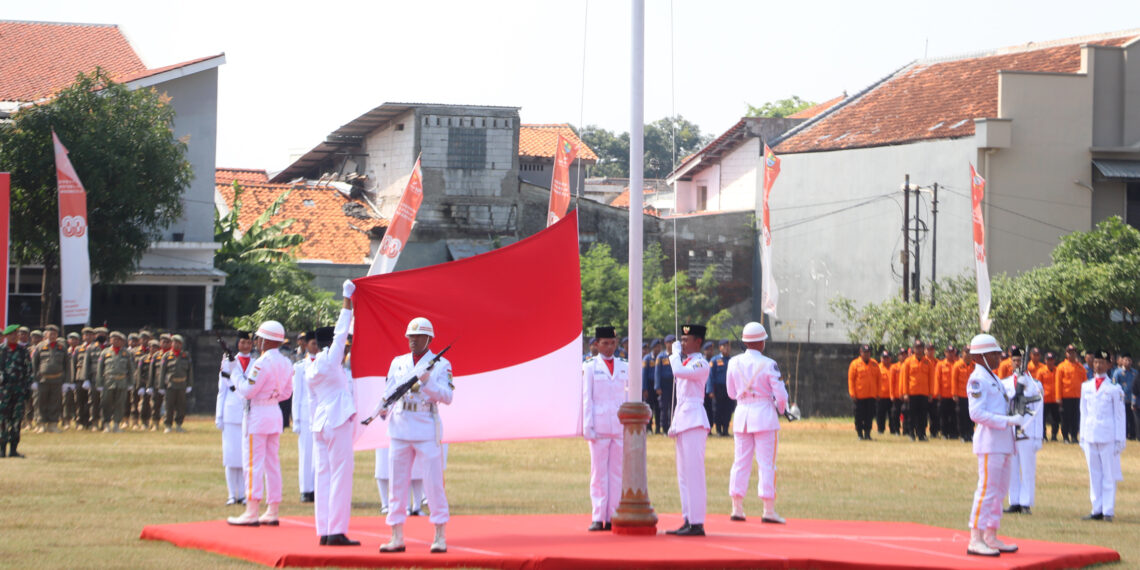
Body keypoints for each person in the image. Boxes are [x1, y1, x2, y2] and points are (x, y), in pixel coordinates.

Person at [379, 317, 454, 554]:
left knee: (433, 483)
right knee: (397, 484)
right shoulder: (398, 362)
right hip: (400, 426)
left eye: (418, 336)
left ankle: (439, 534)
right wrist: (382, 407)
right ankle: (396, 535)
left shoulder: (441, 364)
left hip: (425, 426)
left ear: (429, 339)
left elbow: (448, 397)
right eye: (410, 336)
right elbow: (390, 391)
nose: (412, 340)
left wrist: (428, 382)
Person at [305, 280, 360, 546]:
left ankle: (324, 530)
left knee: (323, 475)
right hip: (336, 420)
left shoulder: (310, 367)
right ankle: (336, 530)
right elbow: (341, 330)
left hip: (320, 423)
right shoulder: (330, 358)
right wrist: (346, 298)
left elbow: (312, 401)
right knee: (340, 474)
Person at [964, 333, 1028, 556]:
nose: (999, 358)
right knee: (986, 490)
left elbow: (1001, 405)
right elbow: (976, 413)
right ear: (980, 357)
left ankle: (990, 534)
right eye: (993, 354)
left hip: (1003, 443)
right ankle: (975, 538)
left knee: (1000, 491)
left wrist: (1019, 392)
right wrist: (1007, 421)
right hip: (990, 443)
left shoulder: (993, 378)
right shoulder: (978, 379)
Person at [227, 320, 294, 527]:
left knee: (253, 463)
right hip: (274, 411)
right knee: (272, 463)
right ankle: (272, 509)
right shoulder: (286, 362)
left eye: (259, 338)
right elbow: (287, 393)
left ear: (265, 340)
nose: (256, 342)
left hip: (258, 414)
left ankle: (252, 510)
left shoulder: (261, 363)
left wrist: (235, 373)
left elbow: (247, 391)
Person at [727, 321, 788, 525]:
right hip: (764, 416)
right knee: (766, 464)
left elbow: (730, 392)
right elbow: (781, 395)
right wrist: (781, 409)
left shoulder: (733, 362)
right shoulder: (769, 364)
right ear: (761, 342)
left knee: (740, 462)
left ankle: (737, 507)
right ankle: (768, 509)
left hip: (742, 414)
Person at [665, 324, 711, 537]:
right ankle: (688, 518)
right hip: (683, 420)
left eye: (686, 340)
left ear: (698, 342)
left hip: (694, 420)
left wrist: (673, 354)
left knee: (694, 474)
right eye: (681, 340)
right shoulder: (685, 362)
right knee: (683, 475)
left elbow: (678, 372)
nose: (682, 343)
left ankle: (697, 521)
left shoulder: (700, 363)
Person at [582, 325, 627, 532]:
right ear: (597, 344)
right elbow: (587, 398)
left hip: (618, 426)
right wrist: (587, 426)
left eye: (612, 343)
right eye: (605, 343)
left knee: (617, 473)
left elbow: (628, 396)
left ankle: (612, 516)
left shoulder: (624, 366)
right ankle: (598, 515)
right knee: (599, 473)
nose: (609, 347)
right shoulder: (590, 366)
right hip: (599, 426)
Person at [1079, 349, 1126, 522]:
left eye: (1102, 362)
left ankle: (1107, 510)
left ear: (1108, 365)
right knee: (1094, 474)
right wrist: (1082, 435)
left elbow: (1119, 416)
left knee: (1108, 474)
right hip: (1091, 434)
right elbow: (1083, 412)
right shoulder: (1086, 386)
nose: (1098, 365)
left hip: (1108, 435)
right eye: (1096, 362)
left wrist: (1120, 439)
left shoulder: (1114, 388)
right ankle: (1096, 509)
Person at [1003, 348, 1043, 515]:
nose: (1017, 363)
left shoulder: (1035, 385)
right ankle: (1014, 501)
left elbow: (1039, 412)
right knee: (1011, 469)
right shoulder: (1004, 384)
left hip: (1027, 431)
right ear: (1010, 362)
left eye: (1020, 360)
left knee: (1027, 469)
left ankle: (1025, 502)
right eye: (1015, 360)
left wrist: (1038, 436)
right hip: (1010, 431)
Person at [217, 331, 253, 506]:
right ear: (238, 344)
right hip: (231, 412)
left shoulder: (257, 362)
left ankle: (245, 494)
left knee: (246, 457)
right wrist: (219, 416)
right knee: (231, 457)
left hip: (249, 412)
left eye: (248, 343)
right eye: (243, 342)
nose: (246, 346)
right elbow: (222, 390)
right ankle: (232, 494)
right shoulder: (228, 361)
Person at [293, 331, 318, 503]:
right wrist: (296, 419)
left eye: (317, 344)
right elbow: (297, 394)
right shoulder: (300, 366)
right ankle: (305, 489)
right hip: (305, 414)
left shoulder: (325, 363)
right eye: (313, 343)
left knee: (319, 454)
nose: (316, 347)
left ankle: (316, 488)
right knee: (305, 454)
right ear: (306, 345)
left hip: (320, 415)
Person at [1, 325, 33, 457]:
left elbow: (29, 371)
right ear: (6, 336)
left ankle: (13, 449)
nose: (14, 337)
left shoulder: (23, 351)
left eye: (16, 334)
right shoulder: (1, 350)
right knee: (2, 420)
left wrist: (27, 387)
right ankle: (2, 449)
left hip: (19, 390)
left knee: (16, 420)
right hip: (3, 392)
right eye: (11, 335)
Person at [32, 325, 69, 433]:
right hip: (42, 380)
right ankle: (41, 424)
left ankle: (53, 424)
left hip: (57, 380)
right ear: (46, 334)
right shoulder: (39, 346)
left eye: (55, 334)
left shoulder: (62, 347)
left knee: (55, 402)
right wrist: (34, 380)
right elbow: (34, 364)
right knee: (41, 402)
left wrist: (67, 382)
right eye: (51, 334)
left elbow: (67, 365)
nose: (53, 336)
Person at [97, 332, 136, 432]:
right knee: (106, 403)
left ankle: (116, 424)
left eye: (118, 340)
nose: (116, 341)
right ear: (110, 340)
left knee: (120, 403)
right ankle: (106, 424)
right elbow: (100, 369)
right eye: (114, 339)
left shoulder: (126, 353)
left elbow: (131, 369)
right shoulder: (105, 352)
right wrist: (99, 383)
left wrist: (131, 383)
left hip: (122, 381)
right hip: (108, 381)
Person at [901, 340, 935, 441]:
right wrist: (905, 393)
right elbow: (904, 379)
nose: (919, 350)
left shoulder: (928, 362)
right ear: (913, 349)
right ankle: (911, 433)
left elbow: (931, 379)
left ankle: (921, 434)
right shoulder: (908, 362)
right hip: (912, 393)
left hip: (924, 393)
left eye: (920, 348)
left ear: (923, 349)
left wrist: (931, 393)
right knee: (911, 415)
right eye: (917, 348)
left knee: (923, 415)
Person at [160, 335, 193, 433]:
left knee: (181, 406)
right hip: (170, 385)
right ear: (172, 343)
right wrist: (161, 386)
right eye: (175, 342)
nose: (177, 345)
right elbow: (162, 372)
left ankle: (179, 425)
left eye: (179, 343)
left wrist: (189, 384)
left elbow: (190, 371)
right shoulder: (166, 356)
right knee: (168, 406)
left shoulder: (186, 356)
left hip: (182, 385)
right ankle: (168, 425)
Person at [847, 345, 880, 440]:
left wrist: (878, 393)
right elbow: (851, 380)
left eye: (868, 352)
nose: (867, 354)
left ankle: (867, 434)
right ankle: (860, 434)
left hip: (871, 395)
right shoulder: (855, 364)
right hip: (859, 396)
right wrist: (852, 393)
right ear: (860, 352)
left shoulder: (874, 364)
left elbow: (879, 379)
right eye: (865, 352)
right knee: (859, 416)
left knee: (869, 416)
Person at [1057, 345, 1085, 444]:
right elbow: (1058, 383)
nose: (1071, 354)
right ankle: (1065, 437)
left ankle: (1074, 436)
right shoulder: (1061, 366)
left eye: (1073, 352)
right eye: (1069, 352)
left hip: (1078, 396)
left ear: (1075, 354)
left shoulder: (1080, 367)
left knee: (1076, 417)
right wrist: (1058, 397)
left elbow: (1085, 383)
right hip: (1066, 396)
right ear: (1066, 354)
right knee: (1066, 418)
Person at [709, 340, 734, 437]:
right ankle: (719, 430)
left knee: (728, 409)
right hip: (718, 388)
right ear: (720, 348)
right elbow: (710, 376)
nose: (727, 348)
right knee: (718, 409)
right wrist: (710, 390)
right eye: (724, 346)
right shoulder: (714, 360)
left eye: (728, 346)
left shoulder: (732, 361)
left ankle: (726, 430)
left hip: (729, 388)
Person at [952, 352, 977, 443]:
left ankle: (970, 434)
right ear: (963, 354)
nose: (968, 355)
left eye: (970, 353)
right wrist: (954, 394)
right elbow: (954, 380)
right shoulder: (957, 365)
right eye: (966, 352)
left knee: (971, 416)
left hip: (972, 396)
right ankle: (963, 435)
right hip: (961, 395)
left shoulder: (975, 366)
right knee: (962, 416)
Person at [1110, 353, 1135, 441]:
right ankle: (1124, 434)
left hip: (1132, 400)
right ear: (1122, 361)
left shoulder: (1135, 372)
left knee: (1132, 418)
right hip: (1122, 400)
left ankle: (1133, 434)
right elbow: (1113, 385)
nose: (1127, 362)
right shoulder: (1117, 372)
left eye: (1129, 360)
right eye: (1126, 360)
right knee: (1123, 418)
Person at [655, 334, 676, 434]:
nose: (671, 345)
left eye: (673, 342)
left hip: (674, 384)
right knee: (664, 407)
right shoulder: (661, 356)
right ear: (665, 344)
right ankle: (664, 428)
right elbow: (657, 372)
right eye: (669, 342)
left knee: (674, 407)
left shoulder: (677, 356)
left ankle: (674, 426)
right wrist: (657, 386)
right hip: (664, 385)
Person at [937, 346, 960, 440]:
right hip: (944, 394)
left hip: (954, 395)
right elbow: (937, 379)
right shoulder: (940, 364)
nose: (950, 354)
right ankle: (944, 433)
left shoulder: (957, 364)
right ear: (945, 353)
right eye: (948, 352)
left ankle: (953, 433)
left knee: (954, 415)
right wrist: (938, 393)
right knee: (944, 415)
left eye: (952, 352)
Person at [1037, 352, 1061, 442]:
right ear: (1045, 360)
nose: (1050, 362)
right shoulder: (1041, 371)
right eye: (1048, 360)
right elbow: (1038, 385)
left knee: (1056, 419)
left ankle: (1054, 435)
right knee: (1042, 418)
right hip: (1045, 399)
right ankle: (1043, 435)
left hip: (1055, 399)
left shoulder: (1058, 370)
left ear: (1054, 361)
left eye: (1052, 360)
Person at [642, 339, 662, 434]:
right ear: (653, 348)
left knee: (658, 407)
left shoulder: (661, 358)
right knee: (649, 407)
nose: (658, 349)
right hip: (649, 385)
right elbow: (644, 374)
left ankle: (658, 428)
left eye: (659, 347)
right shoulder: (647, 358)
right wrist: (644, 388)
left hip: (658, 385)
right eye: (656, 347)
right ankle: (649, 427)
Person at [889, 348, 907, 435]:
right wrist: (892, 394)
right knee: (895, 413)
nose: (903, 356)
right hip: (896, 395)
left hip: (906, 395)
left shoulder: (908, 365)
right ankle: (896, 430)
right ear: (898, 356)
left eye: (904, 354)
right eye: (901, 354)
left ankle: (906, 430)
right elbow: (891, 382)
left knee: (907, 413)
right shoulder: (894, 367)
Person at [876, 351, 894, 435]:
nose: (886, 359)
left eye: (887, 358)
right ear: (881, 358)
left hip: (891, 396)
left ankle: (893, 429)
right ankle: (880, 429)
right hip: (881, 395)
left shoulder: (894, 368)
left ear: (890, 358)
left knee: (892, 414)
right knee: (880, 414)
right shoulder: (877, 368)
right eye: (884, 358)